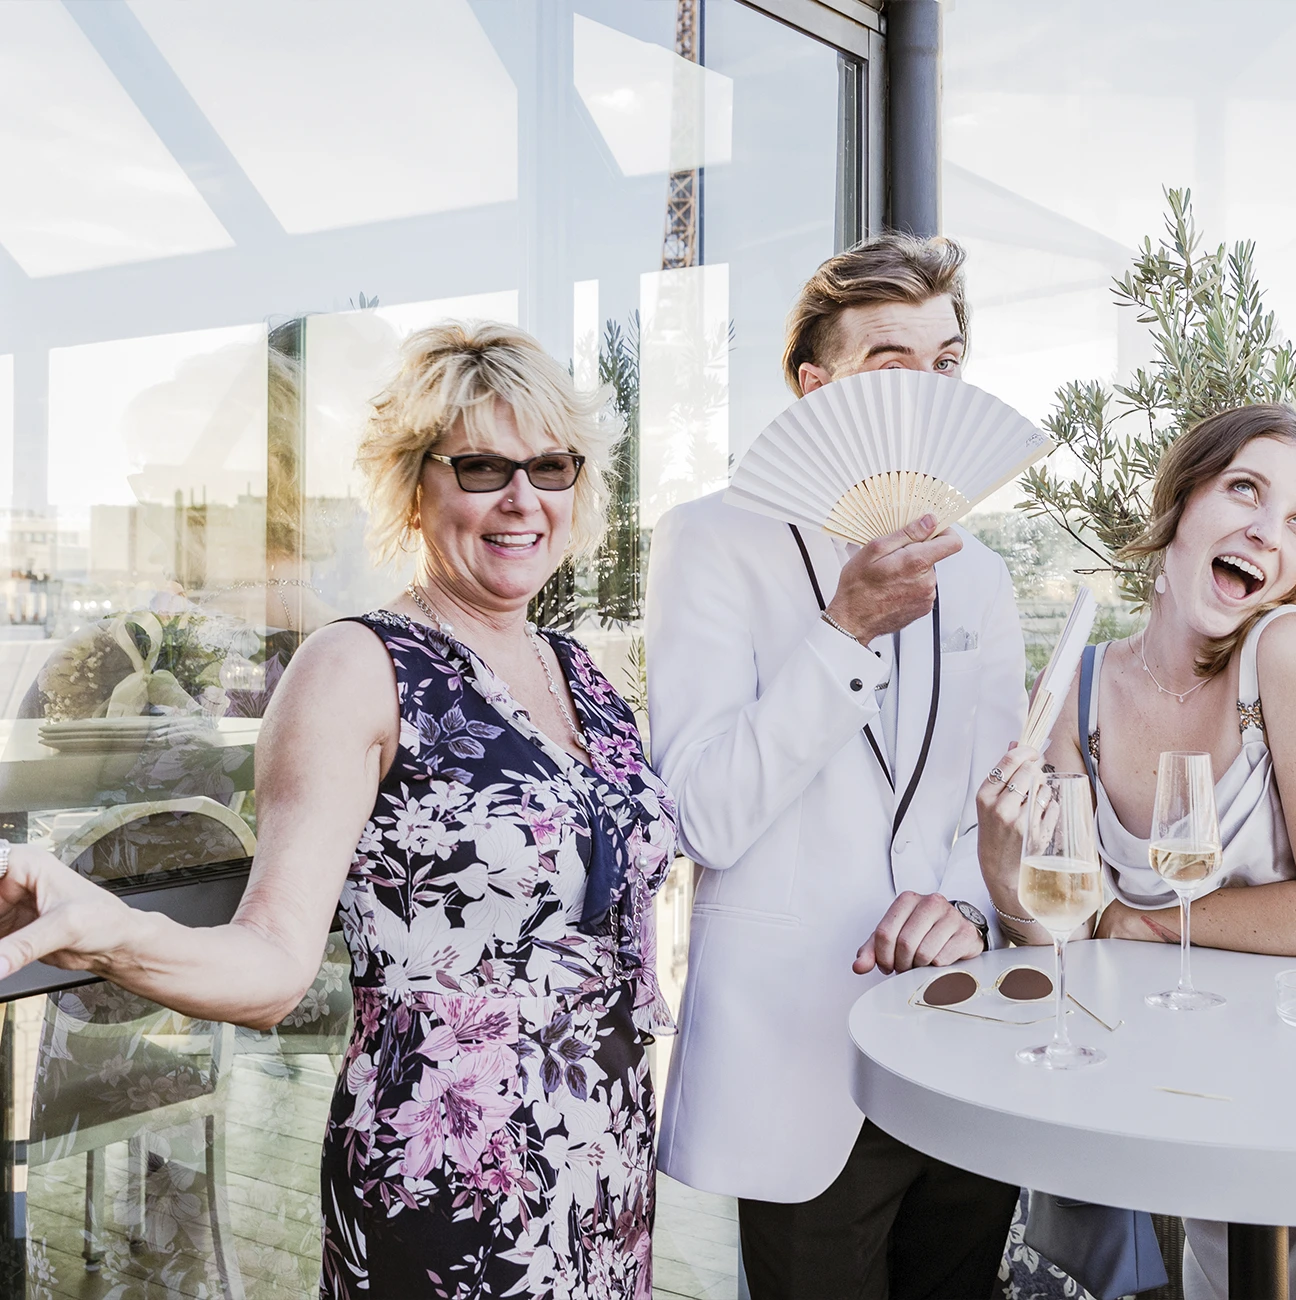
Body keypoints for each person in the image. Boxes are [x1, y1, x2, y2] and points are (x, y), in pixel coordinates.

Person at [0, 322, 676, 1300]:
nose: (523, 498)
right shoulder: (358, 666)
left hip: (604, 1151)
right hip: (448, 1176)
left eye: (552, 466)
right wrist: (110, 930)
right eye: (482, 465)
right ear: (415, 485)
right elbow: (274, 963)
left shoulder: (586, 675)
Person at [978, 404, 1296, 1299]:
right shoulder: (1077, 692)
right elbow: (1066, 940)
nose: (1268, 531)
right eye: (1244, 489)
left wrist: (1129, 923)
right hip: (1220, 1111)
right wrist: (1005, 875)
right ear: (1181, 502)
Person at [648, 232, 1027, 1299]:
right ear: (815, 388)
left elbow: (983, 804)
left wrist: (960, 904)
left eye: (947, 363)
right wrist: (845, 629)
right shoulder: (710, 543)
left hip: (960, 1034)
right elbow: (705, 815)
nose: (931, 390)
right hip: (795, 1052)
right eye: (891, 363)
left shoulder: (985, 577)